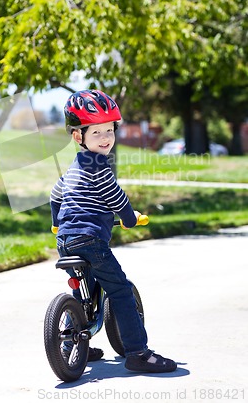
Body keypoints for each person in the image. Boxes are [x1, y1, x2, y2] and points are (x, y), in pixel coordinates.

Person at [50, 89, 177, 373]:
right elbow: (116, 198)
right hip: (91, 240)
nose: (106, 138)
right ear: (78, 136)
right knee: (120, 290)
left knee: (86, 290)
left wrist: (57, 222)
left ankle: (73, 343)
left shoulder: (72, 169)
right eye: (97, 133)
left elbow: (55, 195)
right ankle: (138, 353)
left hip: (65, 242)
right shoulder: (100, 167)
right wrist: (130, 219)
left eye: (110, 130)